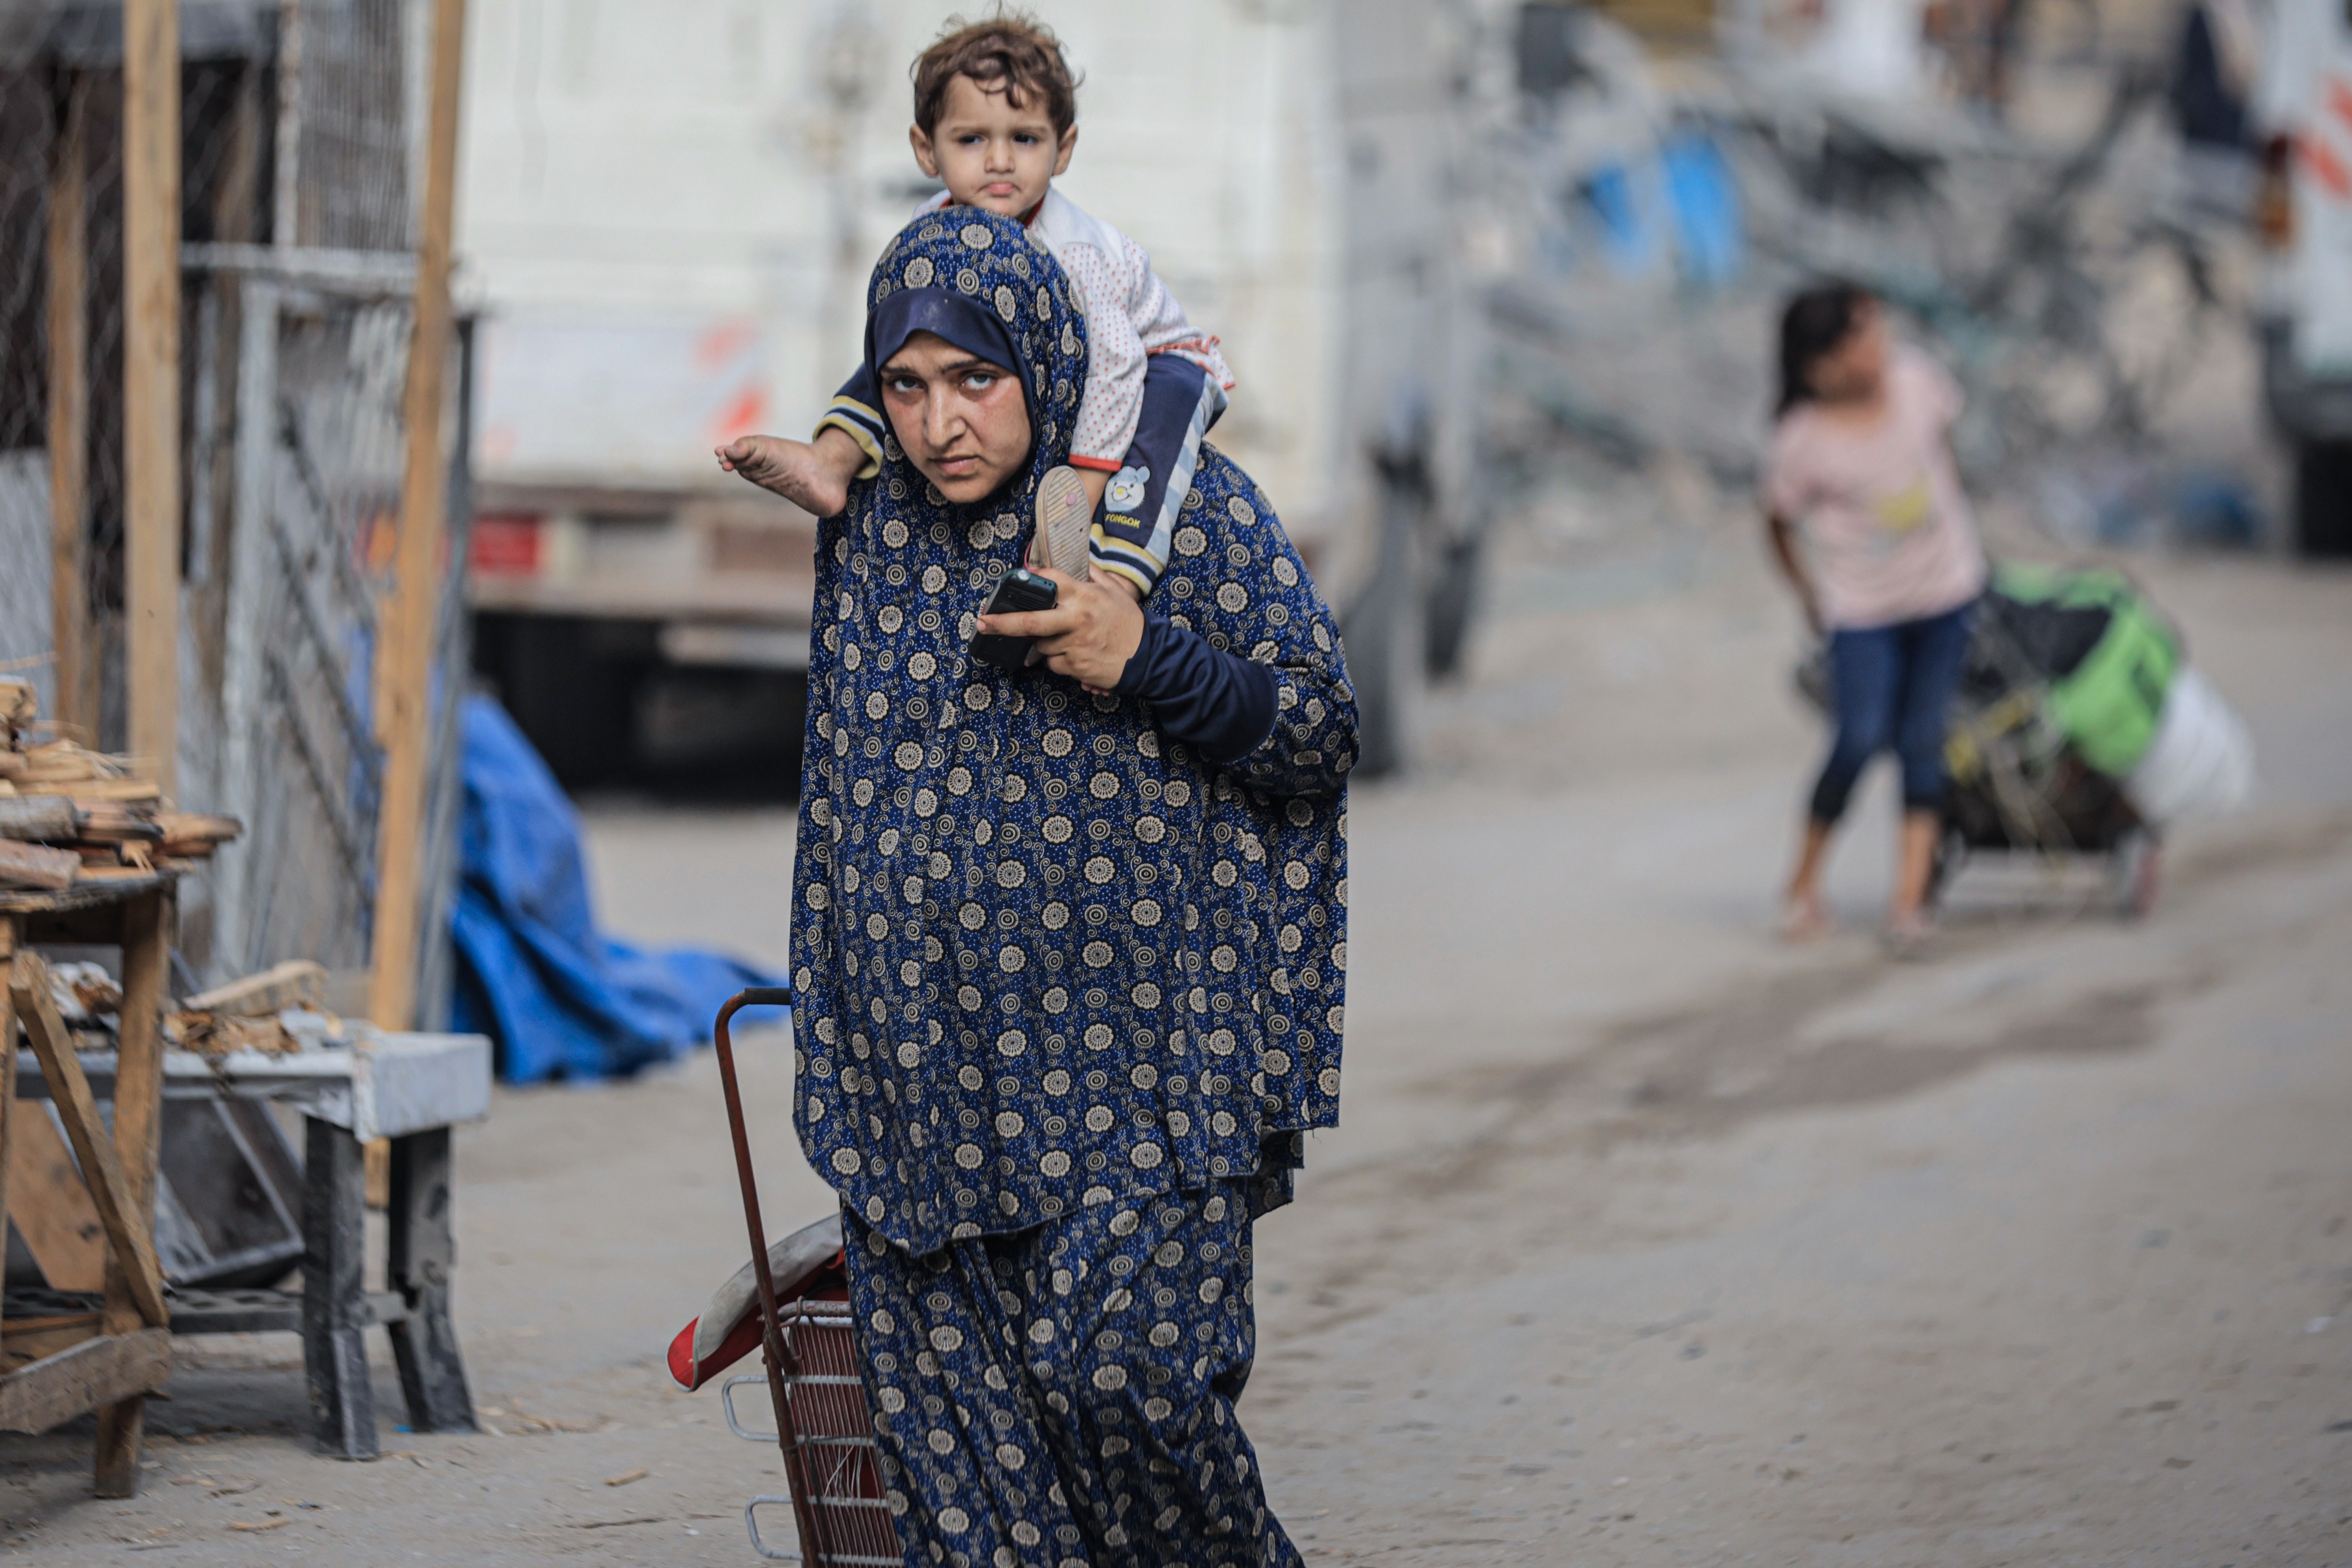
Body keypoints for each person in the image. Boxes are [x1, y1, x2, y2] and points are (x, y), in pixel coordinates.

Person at [751, 208, 1354, 1568]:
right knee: (976, 1511)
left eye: (976, 380)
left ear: (1047, 358)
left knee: (1126, 1389)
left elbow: (1319, 735)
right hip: (928, 1101)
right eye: (903, 387)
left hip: (1148, 1077)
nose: (939, 424)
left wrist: (1146, 656)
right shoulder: (873, 541)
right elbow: (846, 803)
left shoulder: (1186, 517)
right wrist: (850, 1035)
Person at [720, 12, 1233, 602]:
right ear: (925, 150)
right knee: (912, 353)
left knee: (1160, 426)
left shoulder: (1075, 251)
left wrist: (1080, 489)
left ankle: (1110, 578)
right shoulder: (932, 230)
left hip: (1153, 360)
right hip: (1050, 373)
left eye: (1024, 139)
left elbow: (1118, 367)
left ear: (1062, 149)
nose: (998, 161)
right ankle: (831, 460)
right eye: (971, 139)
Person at [1763, 282, 1986, 950]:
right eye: (1858, 338)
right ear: (1820, 363)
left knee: (1924, 742)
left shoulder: (1918, 383)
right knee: (1856, 738)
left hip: (1944, 595)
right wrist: (1807, 592)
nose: (1876, 348)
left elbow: (1943, 452)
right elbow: (1776, 523)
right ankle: (1801, 888)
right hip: (1861, 610)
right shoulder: (1801, 441)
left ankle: (1908, 903)